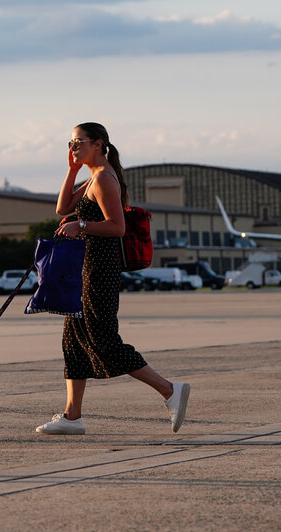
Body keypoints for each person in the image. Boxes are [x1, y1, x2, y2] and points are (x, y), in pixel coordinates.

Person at [35, 122, 190, 436]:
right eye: (71, 142)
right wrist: (71, 170)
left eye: (79, 142)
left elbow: (117, 227)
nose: (73, 147)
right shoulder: (93, 176)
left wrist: (82, 226)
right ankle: (72, 416)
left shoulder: (105, 178)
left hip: (99, 271)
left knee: (104, 341)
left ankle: (169, 389)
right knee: (73, 344)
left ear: (98, 143)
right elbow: (62, 207)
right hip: (86, 270)